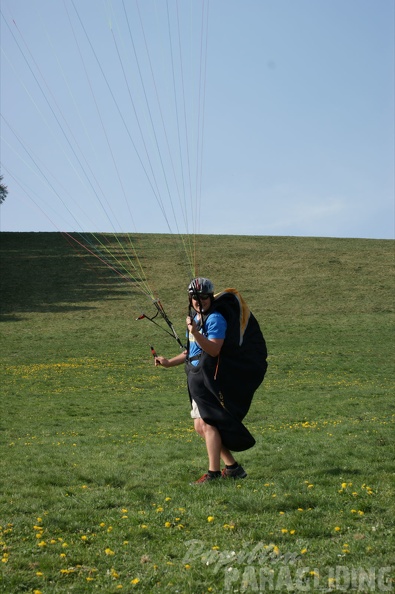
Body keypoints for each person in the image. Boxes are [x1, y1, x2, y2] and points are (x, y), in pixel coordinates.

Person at [154, 277, 267, 484]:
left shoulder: (215, 319)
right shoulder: (195, 318)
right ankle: (233, 468)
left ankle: (213, 473)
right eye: (195, 298)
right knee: (200, 426)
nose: (199, 301)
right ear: (190, 299)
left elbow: (214, 349)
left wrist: (195, 333)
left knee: (207, 423)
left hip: (206, 377)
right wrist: (169, 362)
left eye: (204, 297)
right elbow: (192, 351)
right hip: (195, 374)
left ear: (210, 298)